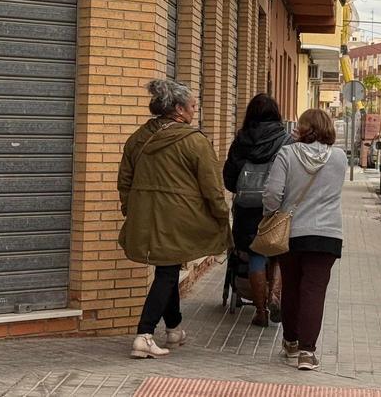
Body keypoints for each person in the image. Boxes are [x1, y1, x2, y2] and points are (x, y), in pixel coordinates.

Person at [118, 79, 230, 359]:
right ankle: (144, 334)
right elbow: (211, 186)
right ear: (179, 109)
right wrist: (221, 214)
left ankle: (174, 327)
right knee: (167, 273)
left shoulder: (138, 138)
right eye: (193, 105)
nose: (195, 110)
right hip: (179, 220)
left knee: (166, 270)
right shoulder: (194, 141)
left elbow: (125, 180)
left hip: (146, 217)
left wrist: (131, 209)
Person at [263, 108, 346, 371]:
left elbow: (273, 194)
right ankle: (308, 353)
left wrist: (271, 213)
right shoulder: (339, 157)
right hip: (328, 234)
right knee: (314, 291)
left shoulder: (286, 154)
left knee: (291, 287)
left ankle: (290, 343)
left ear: (302, 128)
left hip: (293, 233)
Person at [222, 93, 292, 327]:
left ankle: (261, 311)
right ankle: (275, 296)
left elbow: (229, 180)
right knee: (279, 252)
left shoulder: (241, 141)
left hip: (246, 210)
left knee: (255, 256)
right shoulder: (286, 141)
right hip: (277, 209)